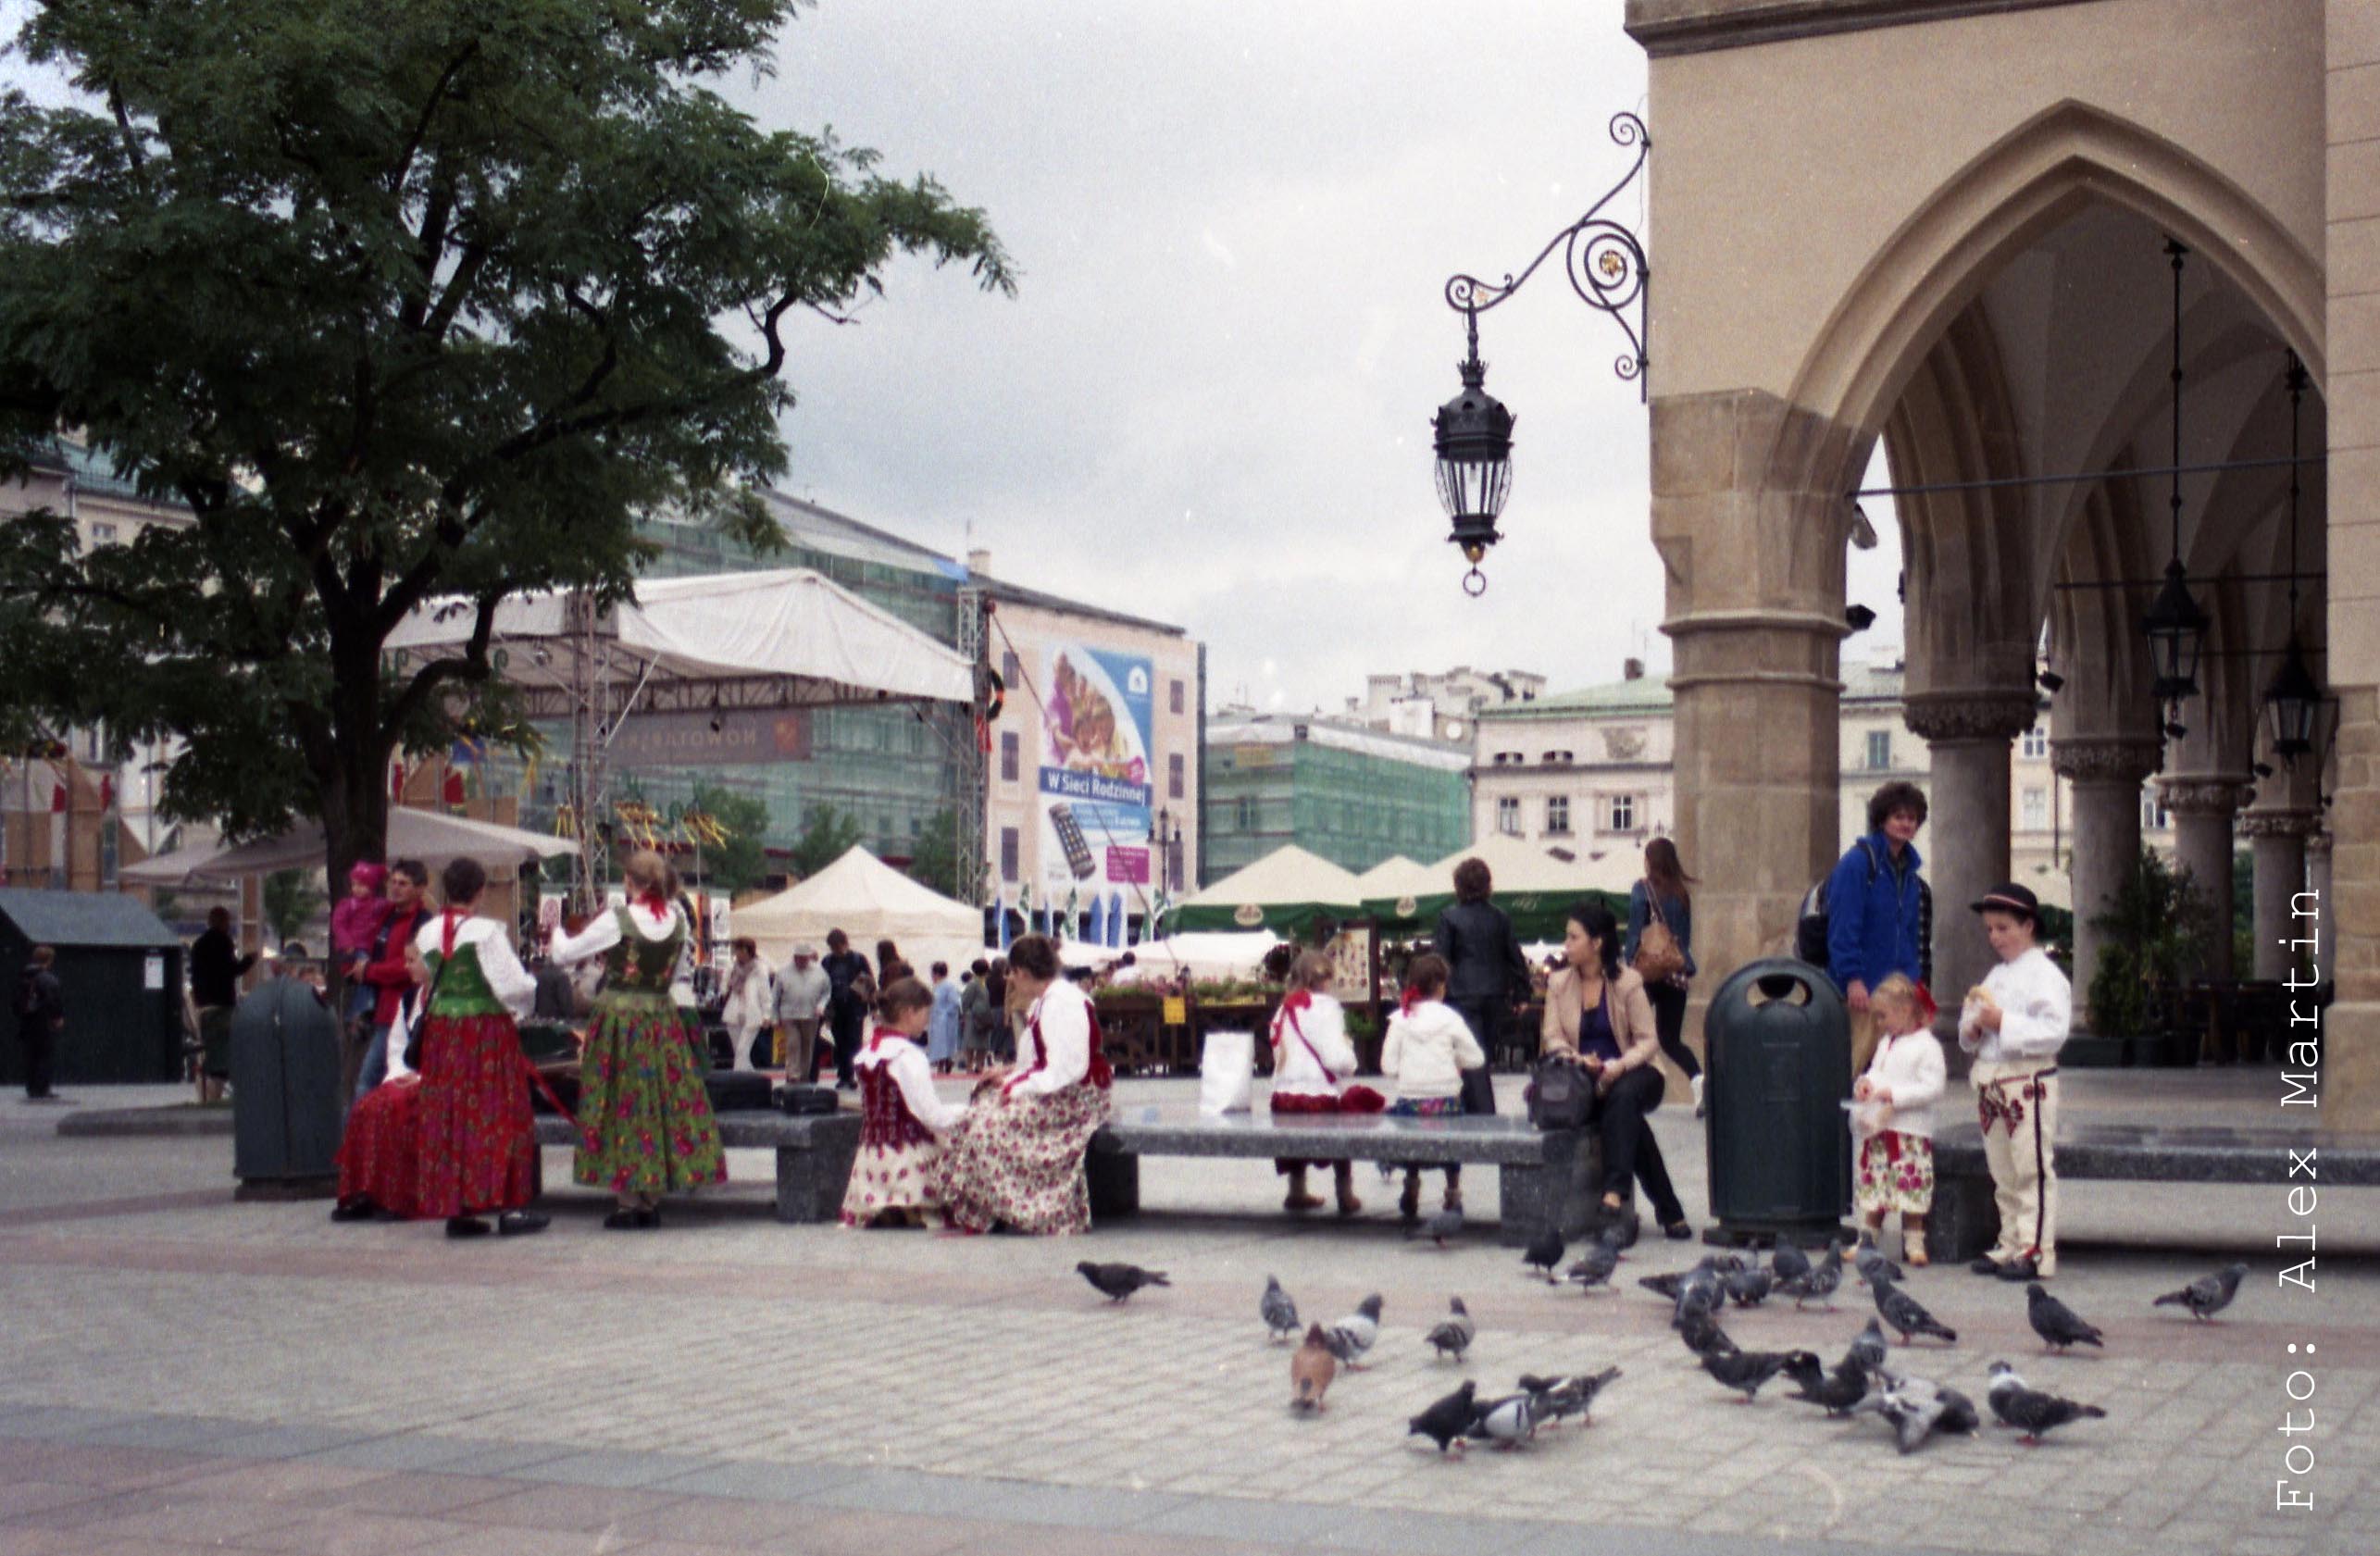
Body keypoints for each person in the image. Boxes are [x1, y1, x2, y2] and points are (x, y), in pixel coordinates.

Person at [548, 851, 728, 1229]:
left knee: (620, 1102)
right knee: (661, 1102)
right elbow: (680, 971)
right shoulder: (678, 919)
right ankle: (650, 1197)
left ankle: (628, 1199)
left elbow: (564, 955)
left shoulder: (619, 920)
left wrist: (558, 930)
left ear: (629, 881)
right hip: (661, 1018)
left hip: (620, 1018)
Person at [934, 933, 1113, 1236]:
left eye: (1012, 973)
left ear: (1024, 973)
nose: (1010, 980)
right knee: (977, 1111)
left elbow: (1068, 1069)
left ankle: (1018, 1209)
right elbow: (1040, 1062)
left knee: (992, 1125)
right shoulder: (1045, 1002)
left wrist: (1018, 1086)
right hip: (1059, 1087)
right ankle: (985, 1207)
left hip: (1077, 1096)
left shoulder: (1063, 1004)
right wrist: (1010, 1073)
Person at [411, 857, 548, 1239]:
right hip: (484, 1032)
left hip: (443, 1033)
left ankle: (460, 1207)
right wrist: (525, 1003)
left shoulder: (428, 932)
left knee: (452, 1114)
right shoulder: (486, 931)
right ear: (480, 890)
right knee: (497, 1114)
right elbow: (512, 986)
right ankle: (508, 1206)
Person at [1541, 902, 1693, 1239]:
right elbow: (1551, 1036)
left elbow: (1648, 1041)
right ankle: (1671, 1212)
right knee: (1628, 1121)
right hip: (1585, 1076)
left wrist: (1618, 1066)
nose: (1566, 944)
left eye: (1573, 937)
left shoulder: (1628, 982)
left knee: (1623, 1096)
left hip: (1637, 1070)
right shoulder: (1559, 984)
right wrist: (1578, 1059)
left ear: (1596, 943)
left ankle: (1614, 1193)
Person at [1957, 882, 2071, 1281]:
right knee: (2002, 1169)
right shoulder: (1996, 974)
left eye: (2004, 928)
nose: (1996, 937)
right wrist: (1972, 1028)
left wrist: (2002, 1021)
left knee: (2031, 1168)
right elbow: (1968, 1025)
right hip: (1992, 1079)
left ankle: (2036, 1249)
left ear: (2028, 926)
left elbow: (2053, 1031)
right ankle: (2009, 1241)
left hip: (2028, 1079)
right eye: (1990, 929)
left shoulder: (2046, 975)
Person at [841, 977, 968, 1227]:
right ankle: (909, 1205)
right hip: (907, 1159)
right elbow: (930, 1115)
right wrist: (968, 1111)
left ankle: (884, 1206)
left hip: (870, 1159)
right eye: (925, 1013)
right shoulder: (908, 1056)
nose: (927, 1020)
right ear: (908, 1012)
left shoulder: (867, 1053)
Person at [1827, 780, 1930, 1072]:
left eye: (1912, 818)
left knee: (1892, 1069)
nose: (1906, 824)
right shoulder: (1857, 864)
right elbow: (1844, 926)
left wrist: (1914, 982)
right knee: (1858, 1067)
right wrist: (1852, 977)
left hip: (1897, 987)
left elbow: (1910, 934)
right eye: (1898, 816)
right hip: (1864, 986)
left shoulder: (1909, 873)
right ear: (1882, 819)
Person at [1380, 952, 1485, 1224]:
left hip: (1411, 1103)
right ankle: (1452, 1192)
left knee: (1408, 1128)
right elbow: (1477, 1058)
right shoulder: (1451, 1018)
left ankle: (1411, 1186)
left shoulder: (1400, 1019)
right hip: (1446, 1101)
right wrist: (1454, 1059)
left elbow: (1388, 1066)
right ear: (1441, 986)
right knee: (1451, 1134)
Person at [1851, 974, 1946, 1268]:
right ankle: (1867, 1239)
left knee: (1910, 1188)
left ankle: (1914, 1242)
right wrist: (1866, 1083)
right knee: (1877, 1186)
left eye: (1883, 1016)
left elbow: (1933, 1087)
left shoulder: (1927, 1046)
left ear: (1904, 1011)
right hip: (1882, 1127)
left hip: (1909, 1130)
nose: (1879, 1023)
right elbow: (1876, 1072)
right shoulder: (1887, 1044)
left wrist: (1896, 1095)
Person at [331, 943, 430, 1222]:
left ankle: (398, 1197)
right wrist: (398, 1078)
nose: (407, 966)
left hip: (437, 1079)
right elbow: (397, 1048)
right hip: (408, 1076)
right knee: (366, 1107)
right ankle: (363, 1191)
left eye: (413, 960)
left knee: (395, 1111)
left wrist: (419, 1078)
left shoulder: (446, 999)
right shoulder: (410, 998)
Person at [1267, 950, 1371, 1217]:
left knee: (1295, 1146)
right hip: (1317, 1095)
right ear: (1322, 980)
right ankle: (1345, 1194)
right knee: (1339, 1141)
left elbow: (1276, 1047)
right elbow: (1336, 1057)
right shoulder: (1325, 1008)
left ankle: (1296, 1191)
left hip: (1283, 1096)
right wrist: (1351, 1061)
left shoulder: (1283, 1008)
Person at [1430, 857, 1527, 1115]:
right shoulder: (1500, 918)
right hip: (1495, 994)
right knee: (1482, 1054)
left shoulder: (1449, 917)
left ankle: (1484, 1115)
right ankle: (1468, 1110)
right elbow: (1514, 956)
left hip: (1460, 994)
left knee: (1472, 1058)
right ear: (1487, 885)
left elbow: (1440, 960)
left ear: (1458, 885)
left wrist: (1431, 994)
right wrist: (1522, 993)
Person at [1623, 838, 1703, 1115]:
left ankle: (1631, 1092)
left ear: (1651, 860)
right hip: (1675, 973)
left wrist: (1627, 963)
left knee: (1633, 1033)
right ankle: (1698, 1081)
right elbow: (1685, 939)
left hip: (1647, 974)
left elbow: (1635, 932)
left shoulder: (1641, 889)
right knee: (1670, 1039)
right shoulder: (1681, 893)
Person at [354, 861, 430, 1102]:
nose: (395, 888)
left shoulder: (422, 922)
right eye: (393, 882)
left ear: (419, 889)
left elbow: (406, 968)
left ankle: (357, 1136)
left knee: (367, 1082)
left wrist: (370, 971)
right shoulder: (386, 915)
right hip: (378, 1008)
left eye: (403, 884)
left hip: (397, 1011)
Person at [189, 906, 256, 1104]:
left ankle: (207, 1094)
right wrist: (249, 960)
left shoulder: (198, 945)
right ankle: (228, 1090)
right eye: (227, 921)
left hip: (203, 1005)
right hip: (222, 1006)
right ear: (223, 922)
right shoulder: (223, 942)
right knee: (228, 1050)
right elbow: (232, 970)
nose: (229, 925)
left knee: (209, 1049)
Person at [332, 861, 392, 1036]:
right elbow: (338, 925)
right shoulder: (348, 905)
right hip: (355, 948)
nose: (357, 889)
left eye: (362, 885)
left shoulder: (376, 904)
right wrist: (347, 943)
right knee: (365, 973)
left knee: (367, 981)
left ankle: (363, 1011)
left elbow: (392, 905)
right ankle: (358, 1013)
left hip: (368, 948)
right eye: (354, 885)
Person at [821, 928, 870, 1089]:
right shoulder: (827, 962)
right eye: (833, 947)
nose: (836, 951)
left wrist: (864, 998)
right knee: (840, 1043)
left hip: (854, 1007)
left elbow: (868, 980)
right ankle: (844, 1075)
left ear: (845, 944)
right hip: (835, 1008)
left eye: (837, 946)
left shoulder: (858, 959)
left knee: (854, 1042)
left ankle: (855, 1074)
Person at [13, 945, 64, 1101]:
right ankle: (42, 1089)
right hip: (43, 1022)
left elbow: (15, 1002)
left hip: (27, 1021)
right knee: (45, 1055)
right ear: (49, 960)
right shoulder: (49, 979)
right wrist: (58, 1017)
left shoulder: (23, 977)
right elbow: (53, 1001)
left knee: (30, 1056)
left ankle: (32, 1088)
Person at [776, 942, 831, 1082]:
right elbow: (775, 995)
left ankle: (804, 1075)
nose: (801, 961)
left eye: (804, 958)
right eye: (799, 958)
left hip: (811, 1014)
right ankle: (793, 1074)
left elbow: (826, 992)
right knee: (793, 1044)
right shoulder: (783, 972)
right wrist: (773, 1016)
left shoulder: (820, 972)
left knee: (808, 1047)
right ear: (794, 957)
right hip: (789, 1014)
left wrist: (821, 1006)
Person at [719, 937, 776, 1072]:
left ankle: (738, 1078)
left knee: (742, 1050)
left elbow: (765, 994)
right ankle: (747, 1077)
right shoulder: (731, 966)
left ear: (748, 951)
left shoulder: (759, 969)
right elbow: (723, 987)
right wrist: (725, 986)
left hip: (752, 1013)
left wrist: (767, 1014)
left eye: (741, 950)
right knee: (739, 1053)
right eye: (736, 950)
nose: (738, 953)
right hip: (733, 1011)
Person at [958, 958, 996, 1075]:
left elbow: (964, 1000)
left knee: (983, 1043)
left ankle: (979, 1064)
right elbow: (965, 1001)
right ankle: (970, 1065)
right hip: (974, 1016)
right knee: (972, 1042)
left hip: (985, 1016)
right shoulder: (973, 984)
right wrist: (965, 1013)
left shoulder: (985, 982)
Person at [926, 962, 963, 1072]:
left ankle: (943, 1064)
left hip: (945, 1020)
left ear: (937, 973)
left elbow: (955, 1002)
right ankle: (943, 1062)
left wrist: (945, 1014)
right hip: (935, 1019)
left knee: (944, 1043)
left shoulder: (949, 986)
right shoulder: (935, 986)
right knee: (936, 1042)